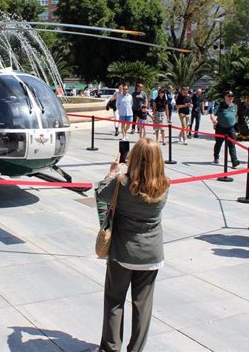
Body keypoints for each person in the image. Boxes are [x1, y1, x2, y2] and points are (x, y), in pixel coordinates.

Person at [96, 138, 169, 352]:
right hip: (151, 254)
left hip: (123, 252)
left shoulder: (121, 183)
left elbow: (101, 193)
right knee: (143, 305)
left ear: (133, 157)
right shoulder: (165, 185)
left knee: (114, 300)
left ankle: (111, 348)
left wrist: (112, 172)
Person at [210, 91, 241, 168]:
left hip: (231, 128)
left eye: (232, 96)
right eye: (229, 96)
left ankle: (234, 161)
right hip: (220, 127)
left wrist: (236, 127)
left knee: (232, 145)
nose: (231, 98)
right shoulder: (220, 105)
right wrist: (214, 120)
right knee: (218, 143)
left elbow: (235, 116)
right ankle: (216, 156)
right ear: (225, 97)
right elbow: (212, 114)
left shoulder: (235, 106)